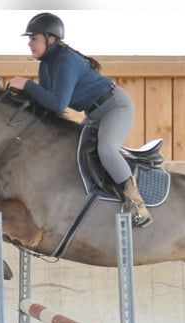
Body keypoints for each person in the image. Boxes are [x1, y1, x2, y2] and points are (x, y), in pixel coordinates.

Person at [9, 12, 152, 228]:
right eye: (29, 39)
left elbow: (57, 104)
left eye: (34, 38)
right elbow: (47, 105)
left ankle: (137, 204)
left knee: (106, 150)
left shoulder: (65, 61)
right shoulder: (46, 63)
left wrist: (27, 85)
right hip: (94, 114)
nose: (29, 43)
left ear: (52, 39)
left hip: (115, 107)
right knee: (71, 149)